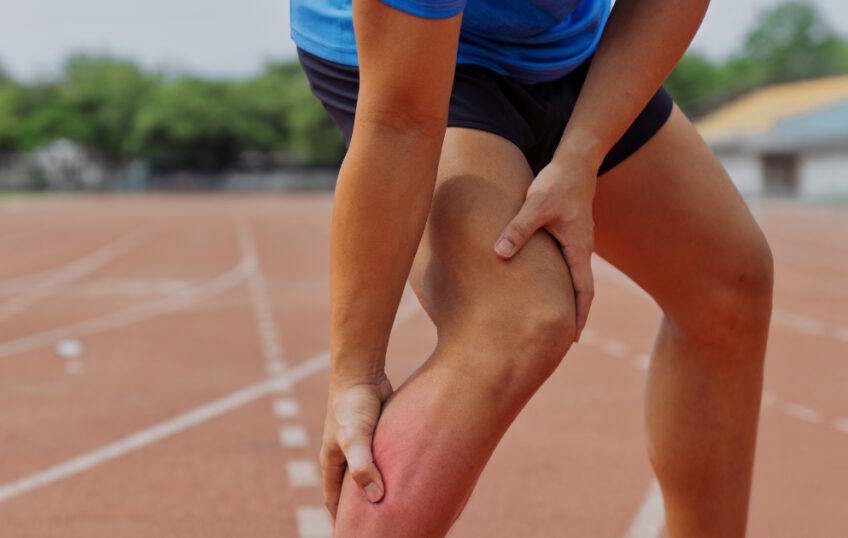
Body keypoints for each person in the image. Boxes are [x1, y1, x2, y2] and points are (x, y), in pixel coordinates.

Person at [291, 0, 774, 535]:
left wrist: (580, 157)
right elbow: (401, 122)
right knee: (515, 318)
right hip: (418, 58)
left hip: (566, 53)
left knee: (731, 282)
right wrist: (355, 375)